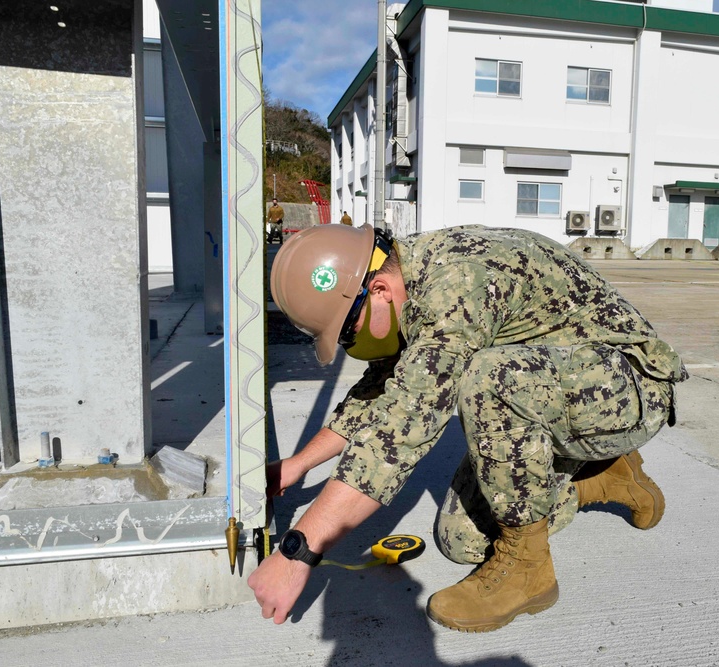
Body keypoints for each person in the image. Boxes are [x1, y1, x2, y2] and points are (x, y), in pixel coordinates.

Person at [251, 223, 687, 632]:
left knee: (488, 378)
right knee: (461, 539)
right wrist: (298, 464)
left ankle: (529, 571)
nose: (350, 346)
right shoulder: (406, 273)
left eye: (346, 333)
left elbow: (400, 431)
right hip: (562, 390)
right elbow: (384, 390)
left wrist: (298, 552)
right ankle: (602, 476)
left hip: (630, 388)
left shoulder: (457, 287)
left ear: (378, 289)